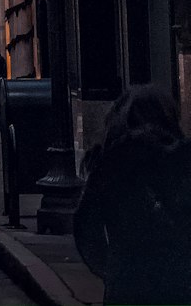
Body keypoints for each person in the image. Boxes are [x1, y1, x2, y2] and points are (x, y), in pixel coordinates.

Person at [74, 85, 191, 305]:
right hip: (179, 281)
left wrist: (110, 268)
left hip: (127, 281)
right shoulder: (182, 159)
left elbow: (86, 227)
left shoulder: (112, 162)